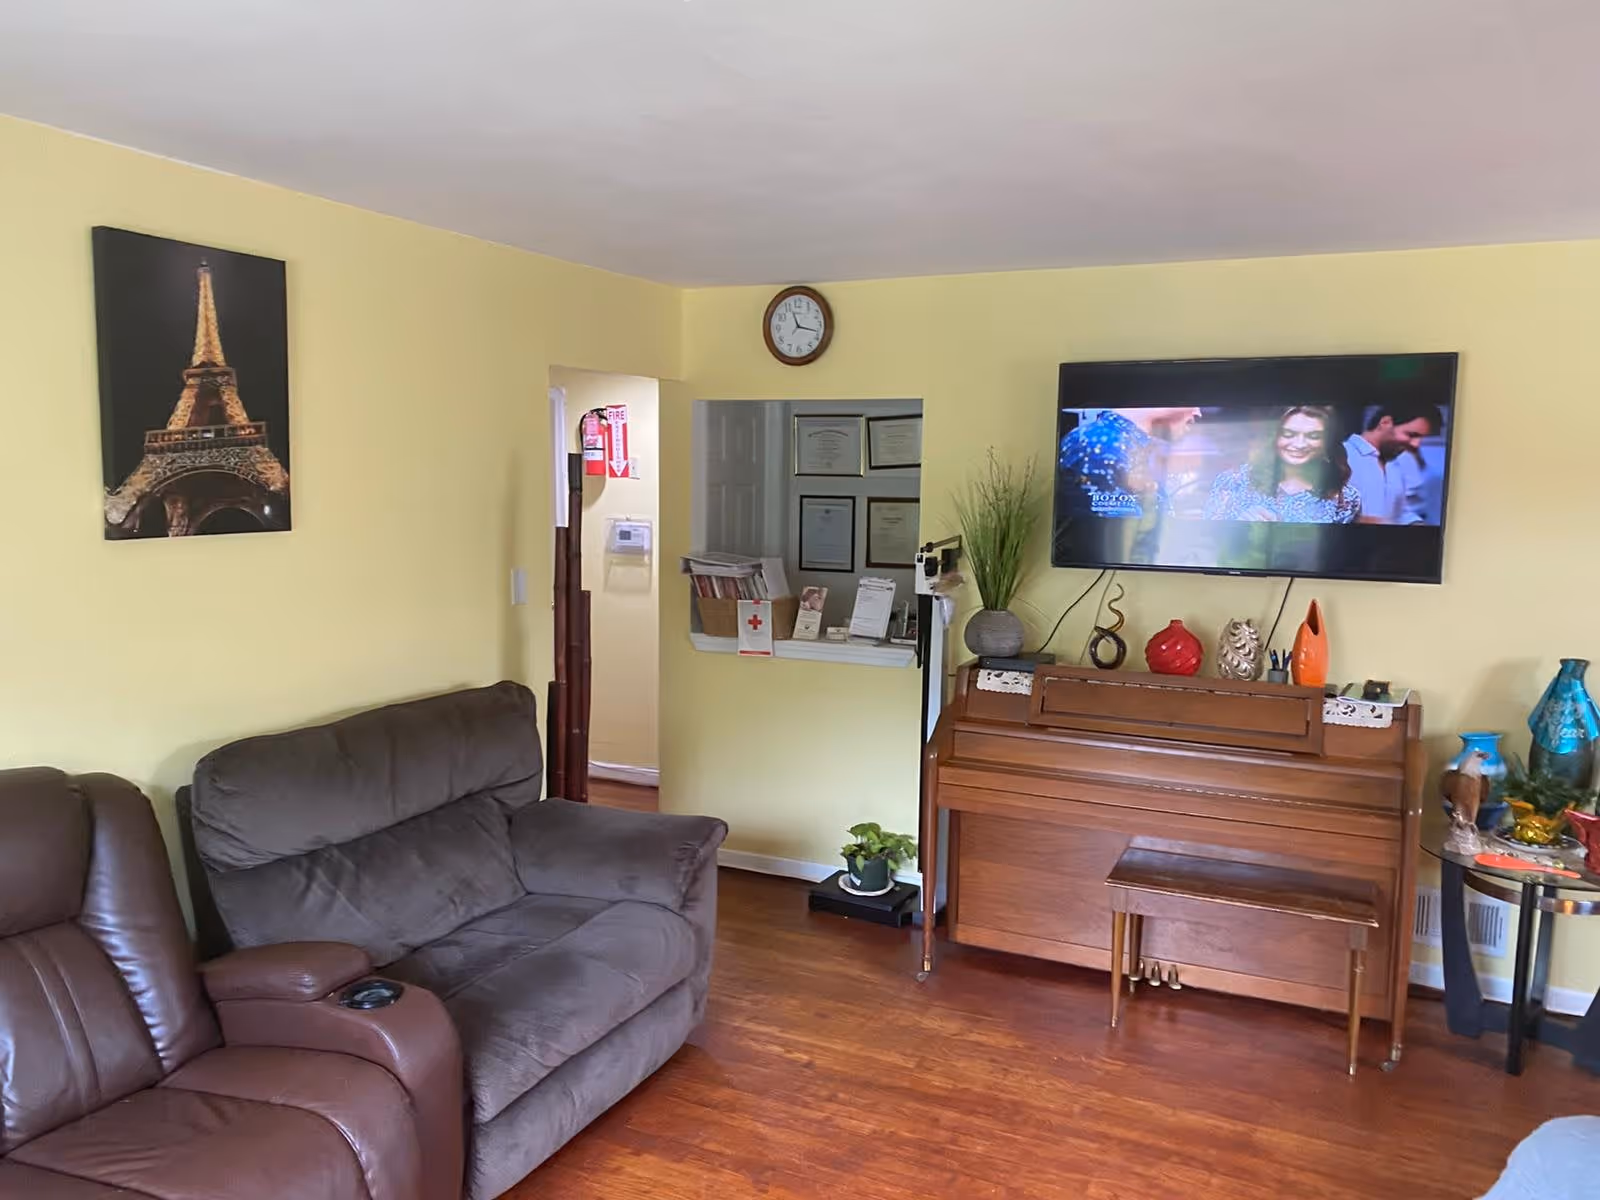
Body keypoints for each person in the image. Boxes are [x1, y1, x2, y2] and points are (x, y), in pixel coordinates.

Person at [1203, 405, 1359, 524]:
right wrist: (1238, 527)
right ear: (1274, 437)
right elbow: (1206, 540)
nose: (1299, 444)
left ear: (1327, 442)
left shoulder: (1346, 498)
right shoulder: (1233, 482)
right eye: (1288, 434)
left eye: (1313, 436)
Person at [1058, 407, 1202, 518]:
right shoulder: (1103, 446)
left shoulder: (1124, 446)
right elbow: (1118, 540)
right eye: (1189, 397)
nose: (1197, 413)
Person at [1343, 402, 1443, 524]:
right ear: (1385, 423)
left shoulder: (1400, 459)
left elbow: (1400, 514)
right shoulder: (1340, 455)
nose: (1416, 444)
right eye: (1411, 435)